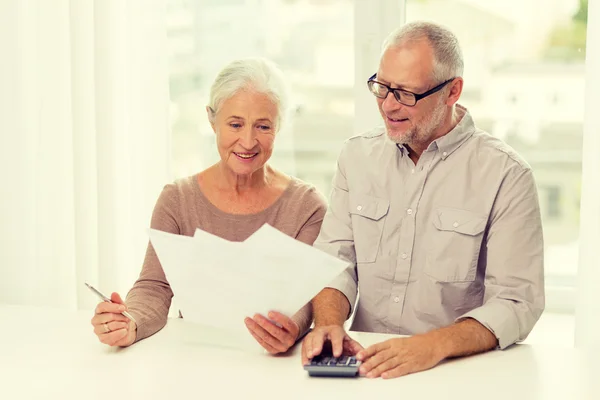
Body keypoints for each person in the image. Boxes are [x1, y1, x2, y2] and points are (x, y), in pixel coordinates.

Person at [301, 21, 545, 379]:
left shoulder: (507, 175)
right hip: (367, 368)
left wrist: (432, 345)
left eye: (406, 93)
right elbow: (335, 260)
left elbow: (517, 301)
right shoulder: (356, 157)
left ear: (452, 91)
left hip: (457, 372)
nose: (388, 106)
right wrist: (328, 323)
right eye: (381, 88)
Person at [90, 57, 327, 354]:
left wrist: (290, 328)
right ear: (211, 120)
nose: (248, 141)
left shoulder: (307, 207)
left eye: (263, 126)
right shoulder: (177, 199)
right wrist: (130, 322)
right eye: (235, 124)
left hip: (276, 365)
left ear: (278, 127)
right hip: (197, 357)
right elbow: (154, 287)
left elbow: (307, 299)